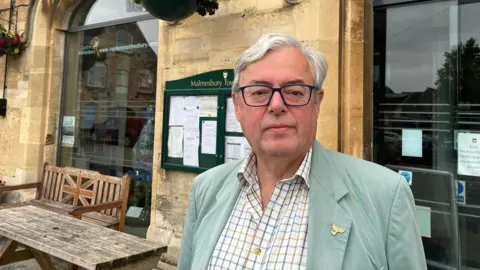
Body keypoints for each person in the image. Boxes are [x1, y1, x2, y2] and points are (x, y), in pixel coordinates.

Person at [177, 32, 427, 270]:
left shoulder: (385, 195)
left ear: (317, 103)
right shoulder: (206, 190)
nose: (276, 105)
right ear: (238, 106)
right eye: (260, 92)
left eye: (295, 92)